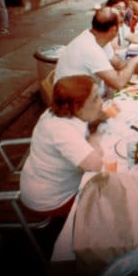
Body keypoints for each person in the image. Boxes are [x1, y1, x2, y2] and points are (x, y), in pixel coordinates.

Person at [20, 75, 107, 219]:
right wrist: (94, 139)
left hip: (46, 182)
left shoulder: (62, 112)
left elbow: (86, 119)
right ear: (77, 107)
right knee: (110, 197)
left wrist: (100, 114)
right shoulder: (61, 131)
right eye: (95, 99)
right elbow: (95, 166)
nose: (101, 102)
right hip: (50, 200)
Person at [54, 7, 138, 97]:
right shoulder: (90, 48)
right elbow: (118, 83)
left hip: (85, 97)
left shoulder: (98, 38)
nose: (122, 27)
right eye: (120, 24)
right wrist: (134, 62)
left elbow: (119, 64)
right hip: (72, 104)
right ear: (113, 29)